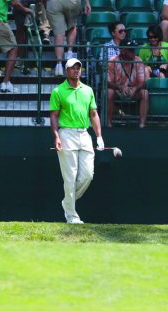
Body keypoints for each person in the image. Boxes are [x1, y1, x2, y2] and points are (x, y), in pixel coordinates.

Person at [49, 57, 104, 224]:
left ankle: (67, 202)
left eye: (78, 67)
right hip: (66, 134)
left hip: (84, 134)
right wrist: (56, 136)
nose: (76, 70)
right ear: (67, 71)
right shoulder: (58, 91)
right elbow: (54, 116)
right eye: (73, 68)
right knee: (70, 177)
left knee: (87, 175)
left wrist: (99, 136)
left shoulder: (88, 90)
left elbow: (93, 114)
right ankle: (71, 216)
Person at [106, 40, 148, 128]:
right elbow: (108, 82)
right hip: (117, 90)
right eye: (131, 50)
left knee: (145, 93)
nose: (134, 52)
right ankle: (108, 124)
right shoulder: (113, 61)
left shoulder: (138, 60)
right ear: (123, 51)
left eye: (134, 50)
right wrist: (120, 87)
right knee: (109, 92)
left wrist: (135, 88)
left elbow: (143, 82)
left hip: (133, 90)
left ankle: (142, 125)